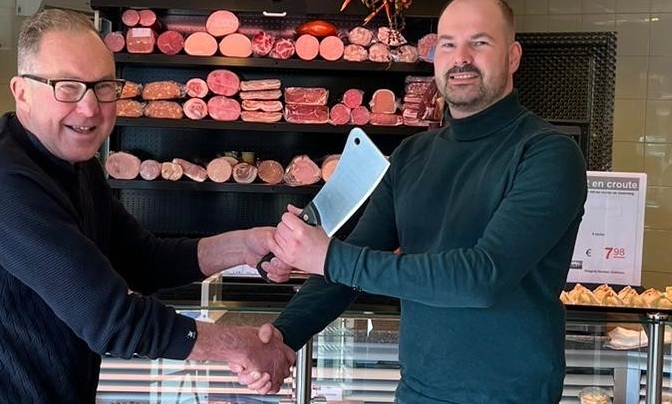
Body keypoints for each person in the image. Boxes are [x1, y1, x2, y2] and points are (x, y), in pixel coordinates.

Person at [0, 9, 293, 403]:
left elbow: (143, 260)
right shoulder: (3, 182)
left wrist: (244, 246)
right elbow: (112, 321)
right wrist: (240, 345)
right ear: (21, 92)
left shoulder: (76, 165)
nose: (90, 108)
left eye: (103, 86)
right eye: (67, 87)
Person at [248, 0, 588, 401]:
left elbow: (482, 278)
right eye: (448, 44)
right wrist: (286, 335)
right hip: (416, 391)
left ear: (513, 56)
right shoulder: (412, 155)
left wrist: (328, 256)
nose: (461, 58)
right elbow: (357, 255)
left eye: (479, 42)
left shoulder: (547, 154)